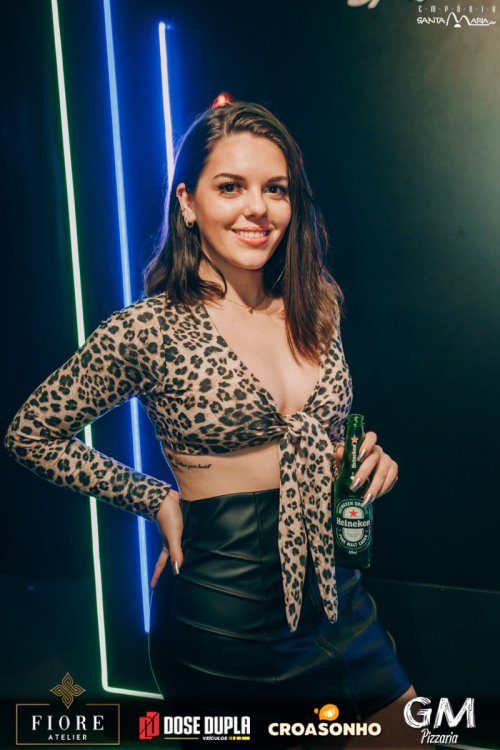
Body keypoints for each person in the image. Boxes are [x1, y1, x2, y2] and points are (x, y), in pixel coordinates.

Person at [4, 101, 420, 749]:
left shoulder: (317, 307)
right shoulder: (148, 329)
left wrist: (363, 458)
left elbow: (320, 437)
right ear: (188, 202)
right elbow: (30, 433)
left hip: (338, 600)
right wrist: (154, 498)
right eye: (230, 187)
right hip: (222, 618)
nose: (258, 208)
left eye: (275, 189)